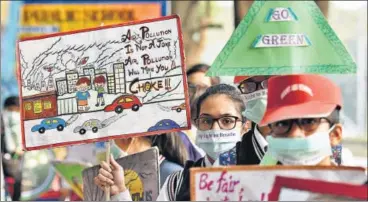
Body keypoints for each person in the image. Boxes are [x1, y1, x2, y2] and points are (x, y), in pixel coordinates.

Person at [95, 84, 247, 200]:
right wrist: (120, 192)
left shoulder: (261, 176)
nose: (215, 129)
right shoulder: (177, 182)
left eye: (227, 121)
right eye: (206, 120)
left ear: (245, 128)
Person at [259, 74, 345, 166]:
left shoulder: (355, 179)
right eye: (282, 124)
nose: (294, 134)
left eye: (309, 122)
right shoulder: (253, 179)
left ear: (335, 135)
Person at [95, 133, 188, 192]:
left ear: (129, 136)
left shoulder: (174, 175)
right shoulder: (121, 175)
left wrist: (120, 194)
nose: (111, 140)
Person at [234, 76, 274, 165]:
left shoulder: (308, 155)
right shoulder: (228, 161)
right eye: (249, 86)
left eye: (269, 82)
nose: (260, 92)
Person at [1, 96, 24, 201]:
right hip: (6, 155)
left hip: (17, 156)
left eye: (15, 110)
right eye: (10, 110)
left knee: (17, 181)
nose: (13, 113)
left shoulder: (22, 122)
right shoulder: (3, 120)